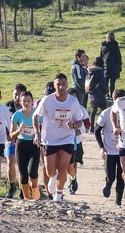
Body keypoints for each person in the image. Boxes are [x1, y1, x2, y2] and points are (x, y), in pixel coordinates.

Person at [34, 73, 89, 202]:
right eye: (58, 84)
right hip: (49, 140)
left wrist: (74, 125)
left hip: (67, 139)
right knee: (50, 171)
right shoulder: (47, 100)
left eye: (63, 84)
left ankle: (58, 195)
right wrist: (37, 133)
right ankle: (54, 176)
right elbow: (35, 116)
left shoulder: (73, 101)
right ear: (54, 85)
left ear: (67, 85)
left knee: (63, 167)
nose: (61, 87)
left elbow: (79, 121)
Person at [96, 89, 125, 205]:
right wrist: (101, 147)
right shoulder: (106, 113)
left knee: (121, 176)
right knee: (111, 176)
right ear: (113, 100)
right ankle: (108, 184)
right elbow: (97, 131)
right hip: (109, 150)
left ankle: (118, 200)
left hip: (124, 150)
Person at [10, 90, 39, 200]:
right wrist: (19, 130)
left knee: (33, 172)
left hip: (34, 144)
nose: (26, 103)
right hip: (21, 145)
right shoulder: (16, 115)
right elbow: (11, 136)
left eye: (28, 101)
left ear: (32, 102)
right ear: (20, 102)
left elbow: (45, 126)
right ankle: (26, 198)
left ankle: (35, 188)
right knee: (23, 174)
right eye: (24, 101)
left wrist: (38, 136)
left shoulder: (37, 114)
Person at [85, 55, 109, 120]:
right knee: (104, 110)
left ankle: (92, 127)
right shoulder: (100, 71)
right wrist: (106, 91)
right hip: (99, 94)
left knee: (93, 110)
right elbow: (102, 83)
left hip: (91, 94)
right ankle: (103, 125)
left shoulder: (89, 71)